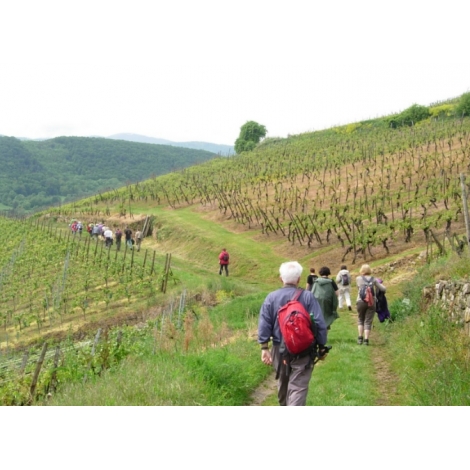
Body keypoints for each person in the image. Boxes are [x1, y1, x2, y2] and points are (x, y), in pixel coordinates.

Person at [258, 261, 328, 406]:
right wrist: (321, 346)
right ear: (298, 279)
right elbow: (320, 324)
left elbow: (264, 323)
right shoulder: (308, 297)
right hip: (304, 349)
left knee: (283, 382)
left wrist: (264, 348)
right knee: (298, 387)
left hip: (279, 349)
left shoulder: (271, 298)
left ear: (281, 279)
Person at [355, 264, 386, 346]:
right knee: (368, 321)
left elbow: (358, 289)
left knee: (360, 319)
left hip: (360, 301)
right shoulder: (374, 279)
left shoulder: (358, 279)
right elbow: (383, 289)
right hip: (371, 302)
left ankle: (360, 338)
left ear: (361, 270)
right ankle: (366, 340)